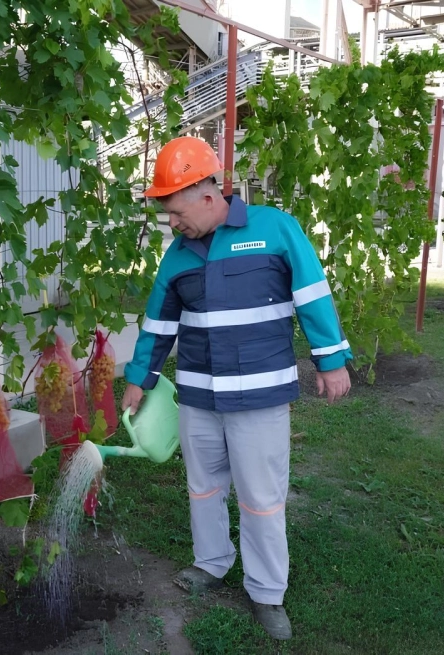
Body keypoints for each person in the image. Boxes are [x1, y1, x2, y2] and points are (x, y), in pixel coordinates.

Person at [121, 136, 352, 641]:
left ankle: (267, 592)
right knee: (203, 488)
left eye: (177, 212)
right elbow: (159, 326)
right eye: (167, 216)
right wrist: (140, 380)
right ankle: (211, 562)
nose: (173, 224)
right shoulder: (177, 258)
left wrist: (331, 360)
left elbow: (313, 293)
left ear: (207, 195)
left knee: (262, 497)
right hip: (198, 398)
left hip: (259, 398)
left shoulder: (274, 229)